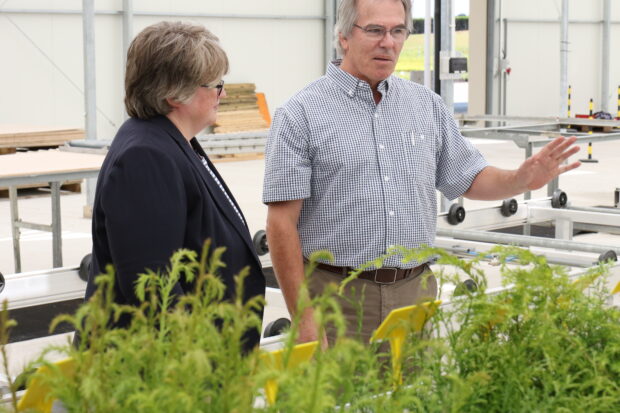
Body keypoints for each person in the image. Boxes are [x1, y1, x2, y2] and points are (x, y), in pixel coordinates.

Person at [262, 0, 580, 346]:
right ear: (343, 37)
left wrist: (520, 179)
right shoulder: (301, 114)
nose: (389, 42)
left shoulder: (425, 105)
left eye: (398, 31)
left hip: (415, 296)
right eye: (375, 30)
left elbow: (468, 176)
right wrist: (305, 317)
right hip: (337, 302)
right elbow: (281, 225)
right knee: (339, 401)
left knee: (413, 400)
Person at [83, 21, 265, 350]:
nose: (222, 93)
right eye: (215, 84)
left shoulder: (171, 141)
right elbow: (154, 285)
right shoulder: (145, 156)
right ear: (173, 95)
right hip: (162, 373)